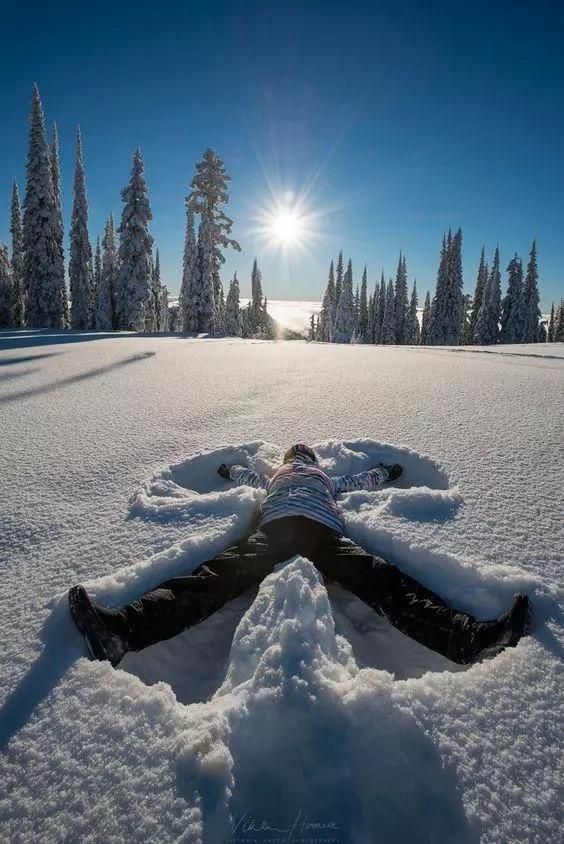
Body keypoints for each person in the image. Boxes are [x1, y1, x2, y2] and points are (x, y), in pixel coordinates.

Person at [69, 443, 531, 668]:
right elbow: (248, 477)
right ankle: (121, 632)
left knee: (385, 582)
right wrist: (229, 469)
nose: (300, 462)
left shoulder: (324, 480)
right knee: (210, 579)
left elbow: (361, 481)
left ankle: (468, 639)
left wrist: (387, 472)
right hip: (291, 533)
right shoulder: (280, 478)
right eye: (298, 457)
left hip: (309, 534)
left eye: (302, 457)